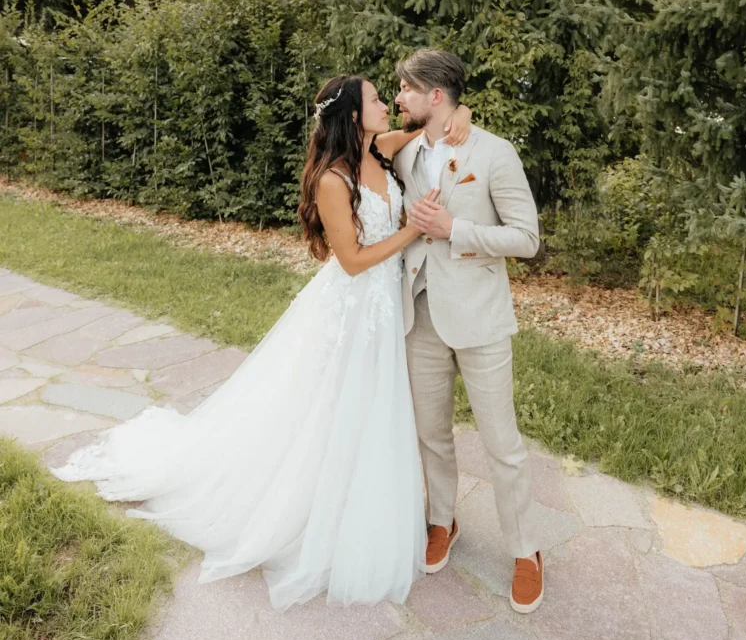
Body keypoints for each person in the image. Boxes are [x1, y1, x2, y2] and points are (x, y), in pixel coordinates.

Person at [50, 75, 471, 611]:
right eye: (373, 99)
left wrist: (464, 112)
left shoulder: (381, 150)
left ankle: (362, 504)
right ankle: (310, 510)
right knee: (329, 409)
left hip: (385, 311)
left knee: (373, 409)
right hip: (352, 309)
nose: (385, 105)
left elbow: (427, 126)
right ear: (349, 114)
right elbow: (353, 260)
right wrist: (414, 229)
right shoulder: (334, 181)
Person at [393, 48, 544, 614]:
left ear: (435, 95)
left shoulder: (494, 152)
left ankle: (526, 550)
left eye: (406, 89)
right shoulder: (403, 151)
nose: (399, 97)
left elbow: (526, 239)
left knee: (502, 442)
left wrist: (456, 228)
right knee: (431, 431)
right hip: (420, 311)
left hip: (478, 314)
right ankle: (442, 519)